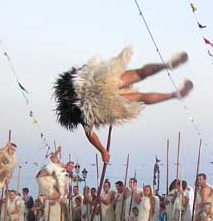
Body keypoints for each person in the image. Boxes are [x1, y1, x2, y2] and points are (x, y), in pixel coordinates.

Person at [52, 47, 193, 162]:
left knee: (141, 97)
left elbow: (90, 135)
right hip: (99, 83)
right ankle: (166, 65)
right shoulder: (79, 81)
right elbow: (86, 70)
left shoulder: (80, 113)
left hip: (101, 104)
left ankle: (174, 95)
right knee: (141, 73)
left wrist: (102, 151)